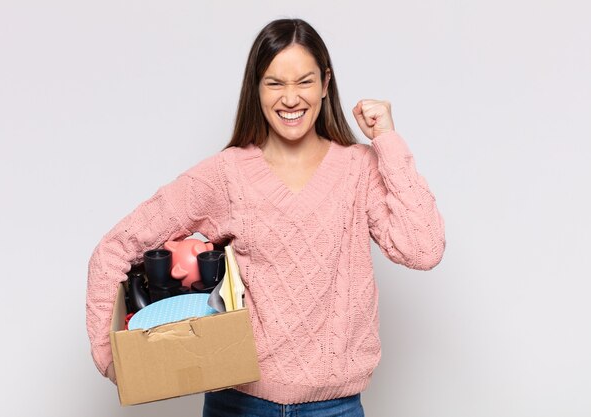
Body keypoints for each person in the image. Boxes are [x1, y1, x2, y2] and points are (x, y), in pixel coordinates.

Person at [86, 18, 445, 417]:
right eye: (275, 83)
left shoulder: (359, 169)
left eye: (304, 81)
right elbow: (115, 248)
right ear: (256, 90)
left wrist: (388, 141)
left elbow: (423, 249)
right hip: (238, 404)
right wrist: (112, 357)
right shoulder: (226, 175)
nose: (290, 98)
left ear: (326, 84)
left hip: (335, 408)